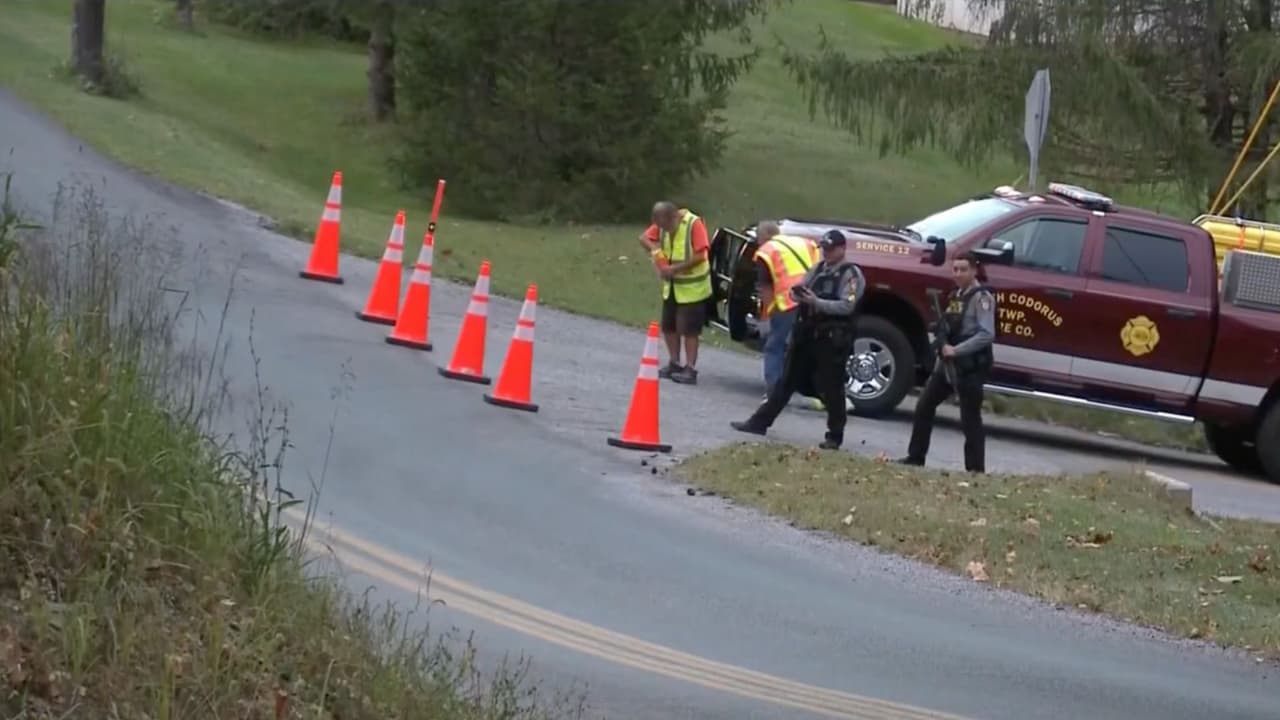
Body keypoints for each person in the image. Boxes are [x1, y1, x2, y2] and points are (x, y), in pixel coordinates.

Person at [730, 229, 865, 449]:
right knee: (786, 381)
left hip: (832, 338)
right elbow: (798, 290)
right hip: (807, 334)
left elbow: (847, 305)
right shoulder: (818, 269)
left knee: (831, 388)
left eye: (831, 249)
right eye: (825, 249)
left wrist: (816, 302)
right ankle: (759, 422)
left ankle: (835, 435)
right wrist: (797, 294)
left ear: (842, 249)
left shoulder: (851, 275)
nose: (827, 254)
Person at [897, 251, 996, 473]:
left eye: (963, 269)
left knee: (970, 419)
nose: (958, 274)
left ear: (974, 270)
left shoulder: (982, 298)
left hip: (970, 366)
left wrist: (956, 350)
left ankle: (975, 471)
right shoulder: (956, 295)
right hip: (947, 365)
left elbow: (987, 334)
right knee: (924, 405)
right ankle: (916, 456)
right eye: (955, 269)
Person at [638, 201, 713, 385]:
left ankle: (690, 369)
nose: (665, 230)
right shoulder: (663, 223)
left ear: (674, 217)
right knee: (669, 326)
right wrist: (656, 251)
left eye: (667, 226)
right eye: (661, 227)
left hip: (693, 288)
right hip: (672, 287)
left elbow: (700, 255)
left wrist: (675, 269)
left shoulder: (693, 224)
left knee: (689, 330)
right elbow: (644, 238)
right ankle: (674, 362)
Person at [752, 220, 820, 397]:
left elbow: (766, 288)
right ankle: (819, 393)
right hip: (812, 300)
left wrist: (766, 317)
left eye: (758, 239)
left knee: (775, 346)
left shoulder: (766, 252)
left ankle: (775, 392)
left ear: (763, 237)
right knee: (806, 347)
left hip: (788, 302)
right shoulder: (802, 243)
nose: (758, 243)